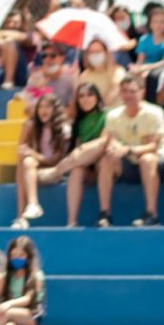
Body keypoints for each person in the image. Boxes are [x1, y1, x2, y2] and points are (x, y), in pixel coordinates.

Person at [96, 75, 164, 227]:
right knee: (106, 160)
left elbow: (153, 146)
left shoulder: (154, 112)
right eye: (124, 91)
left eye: (132, 91)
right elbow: (112, 141)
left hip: (157, 164)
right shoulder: (113, 115)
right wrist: (115, 148)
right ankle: (105, 214)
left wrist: (128, 149)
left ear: (142, 92)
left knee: (147, 159)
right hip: (130, 163)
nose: (128, 95)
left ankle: (151, 214)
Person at [37, 83, 110, 226]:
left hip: (105, 165)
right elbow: (76, 147)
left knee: (98, 145)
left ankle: (57, 171)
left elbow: (104, 141)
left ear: (97, 97)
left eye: (90, 95)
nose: (85, 99)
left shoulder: (107, 115)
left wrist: (82, 149)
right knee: (76, 171)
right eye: (81, 96)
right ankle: (72, 221)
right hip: (86, 165)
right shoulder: (79, 121)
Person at [12, 94, 70, 227]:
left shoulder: (63, 128)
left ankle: (23, 214)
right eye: (41, 107)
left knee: (27, 161)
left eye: (48, 106)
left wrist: (34, 154)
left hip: (55, 170)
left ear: (55, 109)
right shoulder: (32, 126)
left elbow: (56, 159)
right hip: (33, 169)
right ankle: (28, 210)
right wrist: (26, 151)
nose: (44, 110)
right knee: (24, 161)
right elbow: (21, 148)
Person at [0, 10, 38, 90]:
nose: (11, 25)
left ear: (22, 24)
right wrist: (1, 38)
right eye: (8, 22)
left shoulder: (31, 35)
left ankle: (8, 81)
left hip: (20, 73)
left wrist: (3, 36)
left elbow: (26, 39)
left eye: (15, 22)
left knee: (9, 42)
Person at [131, 2, 164, 101]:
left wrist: (146, 68)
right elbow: (140, 60)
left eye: (162, 22)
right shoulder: (144, 39)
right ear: (150, 23)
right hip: (143, 68)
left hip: (158, 68)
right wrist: (138, 68)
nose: (159, 25)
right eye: (155, 21)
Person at [21, 41, 76, 114]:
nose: (48, 59)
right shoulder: (35, 78)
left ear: (62, 58)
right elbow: (26, 109)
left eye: (53, 56)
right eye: (44, 56)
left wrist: (51, 112)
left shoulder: (68, 79)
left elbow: (72, 112)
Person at [79, 38, 126, 109]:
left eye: (98, 52)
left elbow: (111, 97)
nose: (94, 55)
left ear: (106, 53)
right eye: (91, 52)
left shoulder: (118, 71)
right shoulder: (84, 75)